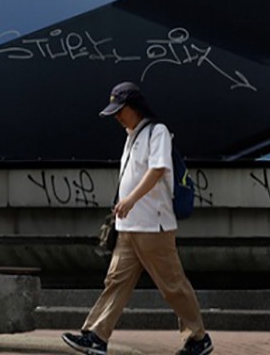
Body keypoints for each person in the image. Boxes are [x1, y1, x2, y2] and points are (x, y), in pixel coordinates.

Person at [62, 81, 213, 355]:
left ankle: (198, 337)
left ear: (134, 107)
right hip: (129, 227)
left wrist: (130, 200)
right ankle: (96, 335)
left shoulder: (158, 132)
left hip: (153, 226)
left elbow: (157, 170)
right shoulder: (131, 135)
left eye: (121, 111)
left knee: (172, 285)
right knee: (115, 282)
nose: (117, 117)